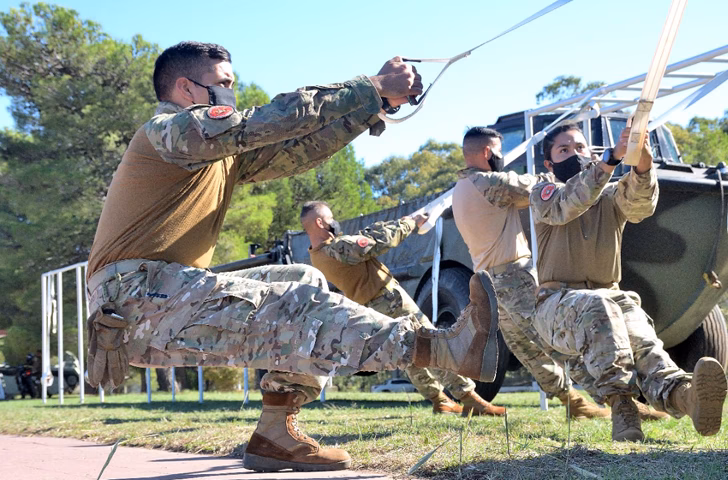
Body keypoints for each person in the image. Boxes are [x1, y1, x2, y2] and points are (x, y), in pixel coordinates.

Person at [84, 41, 503, 472]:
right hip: (133, 296)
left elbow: (293, 151)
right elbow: (271, 120)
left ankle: (275, 432)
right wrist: (371, 85)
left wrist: (372, 107)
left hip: (160, 291)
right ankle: (444, 349)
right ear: (186, 88)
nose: (232, 92)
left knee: (305, 279)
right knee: (300, 306)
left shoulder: (216, 156)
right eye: (223, 83)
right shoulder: (168, 131)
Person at [528, 123, 728, 442]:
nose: (574, 154)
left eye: (580, 148)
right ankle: (623, 407)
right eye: (564, 150)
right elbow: (568, 204)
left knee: (644, 343)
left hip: (611, 297)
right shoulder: (544, 194)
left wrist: (642, 163)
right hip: (555, 305)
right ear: (549, 164)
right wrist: (609, 159)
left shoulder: (610, 195)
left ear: (590, 153)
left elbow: (640, 206)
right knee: (602, 305)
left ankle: (688, 397)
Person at [452, 127, 611, 420]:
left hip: (488, 281)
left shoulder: (461, 187)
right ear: (488, 153)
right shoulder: (488, 182)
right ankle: (617, 398)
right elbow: (537, 188)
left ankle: (572, 402)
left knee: (528, 349)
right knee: (555, 337)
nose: (502, 159)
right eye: (499, 152)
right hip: (513, 276)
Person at [301, 201, 506, 416]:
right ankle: (469, 398)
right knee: (434, 345)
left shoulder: (317, 255)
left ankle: (440, 400)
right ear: (319, 222)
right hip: (389, 300)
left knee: (410, 354)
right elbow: (378, 241)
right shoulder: (336, 249)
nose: (335, 222)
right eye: (330, 218)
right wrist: (410, 223)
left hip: (373, 306)